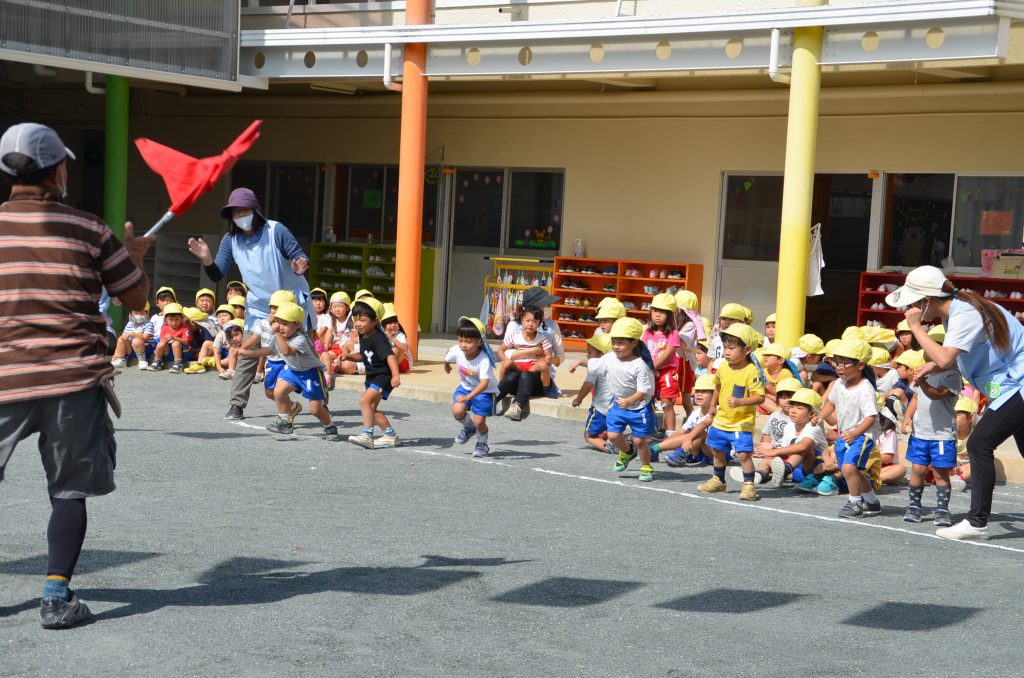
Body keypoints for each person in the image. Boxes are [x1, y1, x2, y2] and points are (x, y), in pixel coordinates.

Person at [0, 121, 152, 628]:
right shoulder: (90, 229)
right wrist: (133, 258)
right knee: (67, 491)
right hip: (73, 380)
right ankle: (55, 598)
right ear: (59, 172)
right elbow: (135, 300)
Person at [886, 265, 1024, 540]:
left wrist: (915, 327)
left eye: (913, 304)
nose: (909, 310)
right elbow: (953, 360)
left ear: (927, 301)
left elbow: (947, 359)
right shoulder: (958, 312)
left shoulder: (964, 314)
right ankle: (976, 521)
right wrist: (931, 368)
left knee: (979, 443)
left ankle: (976, 522)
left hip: (1017, 385)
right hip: (1011, 386)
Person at [188, 188, 312, 420]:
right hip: (258, 306)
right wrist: (206, 258)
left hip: (290, 303)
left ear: (256, 212)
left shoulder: (276, 230)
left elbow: (300, 257)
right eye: (236, 212)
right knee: (245, 352)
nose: (241, 215)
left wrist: (301, 265)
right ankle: (237, 404)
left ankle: (315, 398)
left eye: (245, 210)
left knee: (301, 354)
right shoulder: (230, 240)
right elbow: (217, 274)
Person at [697, 323, 765, 501]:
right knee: (717, 450)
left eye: (732, 348)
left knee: (743, 454)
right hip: (722, 418)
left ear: (747, 349)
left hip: (741, 421)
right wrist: (713, 405)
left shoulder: (751, 372)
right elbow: (718, 386)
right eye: (726, 347)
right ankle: (718, 480)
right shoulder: (724, 367)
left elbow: (760, 397)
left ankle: (749, 486)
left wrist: (741, 401)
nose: (727, 352)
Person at [817, 339, 883, 519]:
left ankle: (855, 503)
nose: (839, 367)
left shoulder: (865, 389)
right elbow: (831, 402)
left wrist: (855, 433)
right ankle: (871, 502)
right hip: (845, 436)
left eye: (845, 362)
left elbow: (871, 417)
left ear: (860, 365)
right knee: (857, 471)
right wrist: (821, 416)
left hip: (862, 435)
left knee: (848, 468)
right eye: (837, 362)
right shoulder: (839, 383)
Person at [900, 341, 961, 526]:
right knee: (917, 470)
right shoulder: (923, 374)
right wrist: (908, 417)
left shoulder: (953, 376)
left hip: (941, 435)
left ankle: (942, 510)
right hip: (920, 432)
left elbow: (936, 394)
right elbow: (916, 397)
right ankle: (914, 506)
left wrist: (922, 380)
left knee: (940, 472)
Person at [264, 302, 340, 441]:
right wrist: (247, 352)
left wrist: (276, 332)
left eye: (285, 324)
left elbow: (286, 351)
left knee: (315, 409)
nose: (280, 327)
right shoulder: (280, 336)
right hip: (293, 370)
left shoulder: (300, 339)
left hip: (311, 373)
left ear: (297, 324)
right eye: (279, 322)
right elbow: (270, 350)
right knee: (278, 391)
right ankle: (285, 421)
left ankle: (329, 426)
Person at [592, 318, 656, 482]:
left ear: (634, 343)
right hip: (618, 403)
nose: (616, 347)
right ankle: (628, 452)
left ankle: (646, 466)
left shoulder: (640, 365)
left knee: (639, 440)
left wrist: (629, 401)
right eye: (614, 342)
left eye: (620, 343)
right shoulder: (609, 358)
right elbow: (595, 367)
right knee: (613, 436)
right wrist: (579, 362)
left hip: (639, 407)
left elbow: (644, 390)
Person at [342, 298, 402, 449]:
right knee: (372, 408)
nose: (357, 323)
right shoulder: (364, 335)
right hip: (372, 376)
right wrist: (349, 356)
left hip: (383, 377)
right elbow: (363, 356)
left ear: (375, 321)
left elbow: (390, 356)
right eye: (355, 319)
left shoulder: (378, 338)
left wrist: (395, 375)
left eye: (362, 320)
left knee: (364, 401)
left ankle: (367, 435)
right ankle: (390, 435)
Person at [497, 287, 566, 412]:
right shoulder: (514, 325)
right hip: (516, 373)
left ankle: (517, 406)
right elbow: (505, 352)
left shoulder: (552, 325)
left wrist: (548, 360)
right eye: (543, 304)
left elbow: (560, 356)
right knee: (513, 377)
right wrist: (532, 351)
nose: (546, 307)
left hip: (538, 376)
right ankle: (491, 399)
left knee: (527, 375)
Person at [444, 316, 499, 458]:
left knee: (479, 421)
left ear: (480, 341)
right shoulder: (457, 350)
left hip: (485, 391)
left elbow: (484, 383)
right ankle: (469, 428)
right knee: (457, 411)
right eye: (460, 340)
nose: (463, 345)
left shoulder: (484, 359)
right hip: (465, 387)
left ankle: (482, 443)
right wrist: (446, 364)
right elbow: (448, 355)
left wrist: (468, 397)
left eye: (468, 341)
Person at [499, 306, 555, 421]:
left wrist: (547, 359)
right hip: (519, 366)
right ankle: (499, 388)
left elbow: (548, 355)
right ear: (522, 321)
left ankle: (547, 389)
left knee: (542, 366)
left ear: (539, 324)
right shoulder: (515, 336)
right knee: (507, 363)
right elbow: (501, 350)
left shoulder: (541, 337)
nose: (530, 324)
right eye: (528, 320)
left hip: (533, 368)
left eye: (534, 321)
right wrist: (504, 359)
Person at [656, 373, 716, 467]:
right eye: (697, 391)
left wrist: (689, 438)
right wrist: (661, 446)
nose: (699, 394)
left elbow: (703, 425)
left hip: (717, 454)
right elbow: (680, 433)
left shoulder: (718, 411)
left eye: (704, 391)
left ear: (715, 395)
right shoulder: (696, 412)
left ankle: (681, 453)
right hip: (701, 451)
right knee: (688, 433)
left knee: (701, 433)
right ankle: (654, 450)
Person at [642, 293, 681, 433]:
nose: (658, 315)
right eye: (655, 310)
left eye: (663, 312)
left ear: (670, 315)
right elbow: (643, 350)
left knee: (667, 404)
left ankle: (670, 433)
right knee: (648, 402)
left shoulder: (673, 334)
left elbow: (669, 353)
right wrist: (648, 369)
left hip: (666, 372)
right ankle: (650, 429)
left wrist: (654, 367)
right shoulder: (647, 332)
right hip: (649, 371)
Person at [572, 333, 615, 453]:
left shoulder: (596, 367)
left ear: (602, 354)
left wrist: (578, 399)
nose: (587, 355)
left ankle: (611, 448)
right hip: (616, 407)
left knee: (589, 436)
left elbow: (588, 385)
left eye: (590, 352)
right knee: (615, 430)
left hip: (600, 409)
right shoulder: (616, 366)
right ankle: (617, 442)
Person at [149, 303, 191, 373]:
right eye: (171, 320)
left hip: (183, 353)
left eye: (177, 319)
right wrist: (165, 340)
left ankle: (178, 364)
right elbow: (162, 339)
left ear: (182, 318)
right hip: (168, 352)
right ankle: (157, 361)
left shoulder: (185, 328)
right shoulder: (164, 328)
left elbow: (186, 341)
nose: (174, 322)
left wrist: (174, 338)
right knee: (160, 344)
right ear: (166, 319)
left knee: (176, 343)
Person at [111, 304, 154, 369]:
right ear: (131, 314)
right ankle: (121, 360)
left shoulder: (149, 324)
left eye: (141, 313)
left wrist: (131, 334)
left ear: (147, 314)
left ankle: (142, 361)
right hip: (130, 350)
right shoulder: (130, 324)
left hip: (145, 349)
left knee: (136, 340)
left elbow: (145, 337)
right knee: (121, 339)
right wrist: (115, 354)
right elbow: (123, 338)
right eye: (136, 313)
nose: (138, 316)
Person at [950, 396, 977, 492]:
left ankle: (957, 479)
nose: (952, 417)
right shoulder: (947, 433)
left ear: (970, 417)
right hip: (948, 465)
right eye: (950, 413)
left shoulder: (976, 435)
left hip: (964, 466)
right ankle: (952, 479)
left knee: (977, 465)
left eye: (957, 414)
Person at [381, 303, 413, 373]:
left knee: (395, 349)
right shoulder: (380, 334)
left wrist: (392, 338)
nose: (393, 325)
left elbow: (405, 348)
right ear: (383, 326)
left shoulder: (400, 335)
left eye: (395, 322)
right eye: (389, 323)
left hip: (403, 364)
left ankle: (388, 370)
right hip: (390, 362)